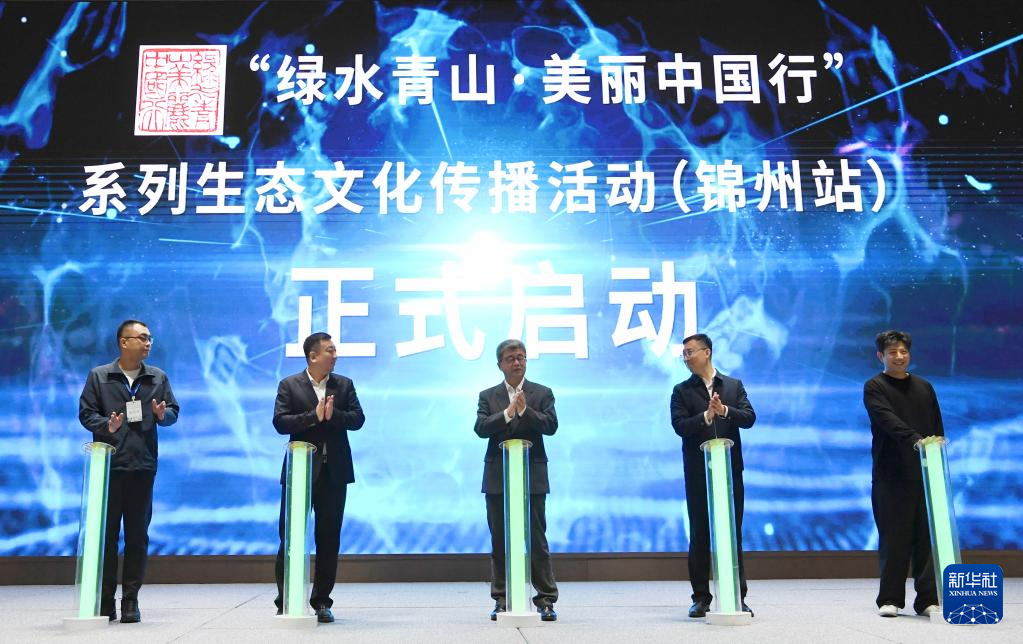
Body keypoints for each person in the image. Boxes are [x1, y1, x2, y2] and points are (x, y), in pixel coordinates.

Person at [78, 319, 179, 623]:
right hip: (108, 467)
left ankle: (131, 599)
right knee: (106, 536)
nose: (148, 343)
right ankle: (105, 599)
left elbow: (173, 412)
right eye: (142, 338)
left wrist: (162, 415)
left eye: (150, 338)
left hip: (142, 466)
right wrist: (105, 426)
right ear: (124, 342)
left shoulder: (157, 377)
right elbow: (86, 414)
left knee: (137, 536)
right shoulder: (100, 376)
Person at [272, 331, 365, 623]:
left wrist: (332, 414)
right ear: (313, 356)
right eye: (330, 350)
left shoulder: (344, 384)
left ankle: (322, 601)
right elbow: (280, 422)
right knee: (291, 537)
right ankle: (286, 600)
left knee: (328, 538)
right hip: (300, 471)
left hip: (334, 472)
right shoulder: (289, 384)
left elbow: (358, 419)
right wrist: (313, 416)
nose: (335, 355)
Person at [669, 333, 756, 618]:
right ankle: (701, 597)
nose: (686, 358)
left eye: (690, 352)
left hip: (729, 472)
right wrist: (706, 416)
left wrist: (724, 410)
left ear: (707, 352)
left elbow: (749, 418)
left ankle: (737, 596)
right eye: (684, 354)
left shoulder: (732, 385)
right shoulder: (681, 391)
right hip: (698, 473)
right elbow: (680, 426)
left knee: (732, 532)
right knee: (699, 534)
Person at [474, 339, 559, 622]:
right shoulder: (488, 396)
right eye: (510, 358)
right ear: (500, 364)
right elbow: (481, 428)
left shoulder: (542, 393)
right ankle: (502, 600)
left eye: (521, 357)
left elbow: (551, 426)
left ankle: (545, 600)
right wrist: (508, 413)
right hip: (498, 477)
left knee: (536, 539)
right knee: (500, 540)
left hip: (532, 475)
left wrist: (524, 411)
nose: (517, 362)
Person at [863, 330, 943, 618]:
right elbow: (887, 420)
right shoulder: (874, 387)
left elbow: (936, 425)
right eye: (892, 352)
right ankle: (890, 598)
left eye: (903, 352)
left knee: (926, 538)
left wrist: (935, 449)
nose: (899, 357)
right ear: (880, 356)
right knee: (894, 538)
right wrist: (915, 440)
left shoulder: (924, 387)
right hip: (890, 475)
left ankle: (928, 599)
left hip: (924, 473)